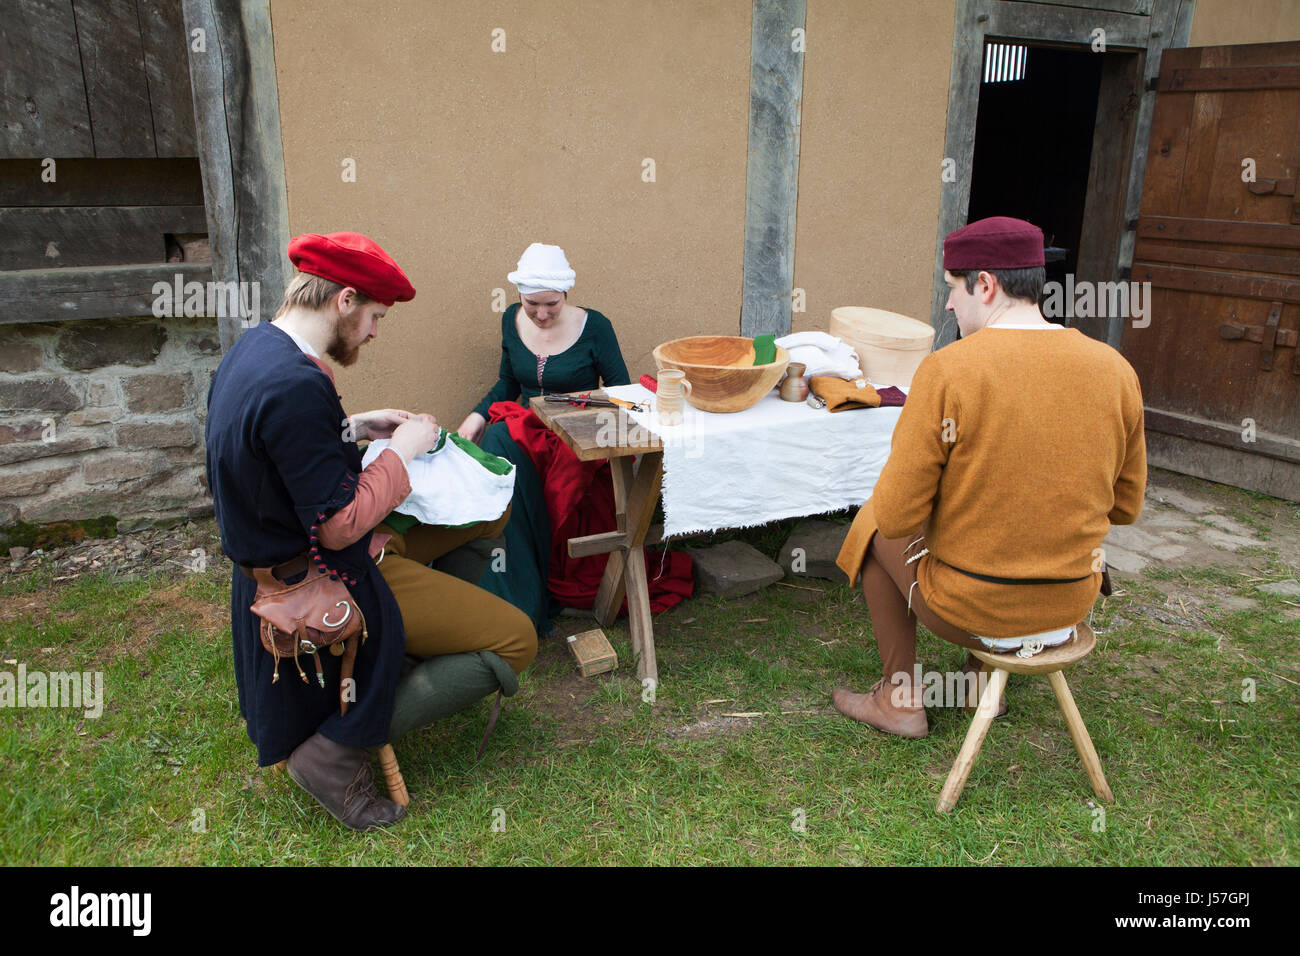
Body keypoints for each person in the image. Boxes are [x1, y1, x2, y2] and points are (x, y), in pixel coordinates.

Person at [206, 231, 535, 832]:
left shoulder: (257, 348)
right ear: (345, 299)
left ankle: (418, 642)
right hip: (323, 578)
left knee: (489, 512)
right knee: (519, 641)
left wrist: (359, 426)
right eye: (376, 317)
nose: (377, 332)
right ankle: (337, 747)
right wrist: (402, 453)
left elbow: (276, 453)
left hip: (297, 556)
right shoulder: (296, 384)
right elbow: (339, 526)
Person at [832, 216, 1147, 737]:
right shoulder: (1115, 369)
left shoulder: (947, 370)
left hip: (972, 609)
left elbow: (895, 515)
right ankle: (978, 685)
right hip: (1069, 606)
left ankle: (898, 699)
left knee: (870, 523)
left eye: (954, 288)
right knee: (999, 522)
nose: (950, 305)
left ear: (986, 284)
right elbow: (1127, 507)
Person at [456, 243, 631, 633]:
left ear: (566, 293)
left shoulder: (595, 326)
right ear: (519, 295)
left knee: (545, 467)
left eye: (551, 304)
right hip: (528, 431)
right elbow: (507, 383)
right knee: (496, 445)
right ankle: (515, 600)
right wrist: (474, 417)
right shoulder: (510, 319)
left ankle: (550, 586)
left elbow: (621, 391)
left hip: (576, 436)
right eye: (532, 303)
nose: (541, 313)